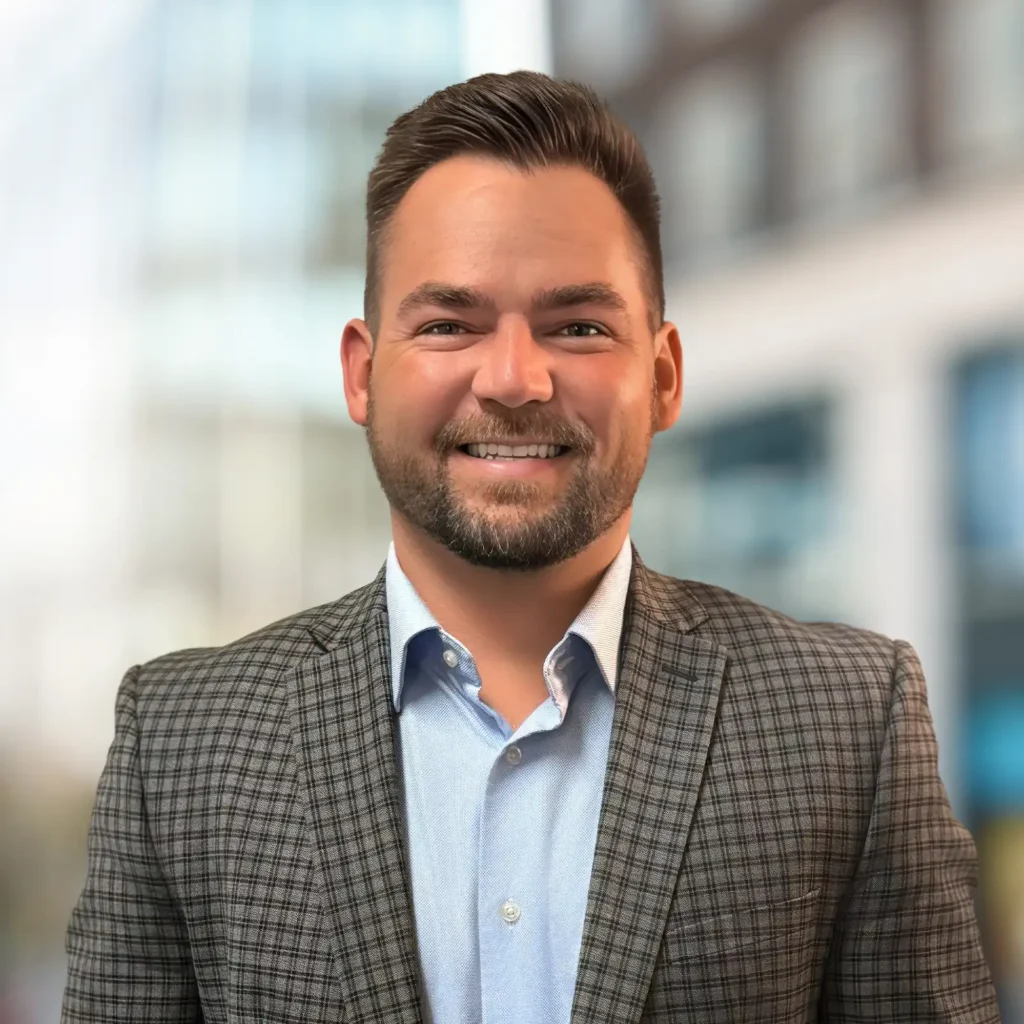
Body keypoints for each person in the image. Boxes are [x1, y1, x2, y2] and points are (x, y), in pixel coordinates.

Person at [62, 70, 1001, 1024]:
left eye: (579, 326)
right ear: (362, 373)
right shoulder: (180, 740)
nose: (514, 379)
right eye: (448, 325)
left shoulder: (847, 719)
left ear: (665, 376)